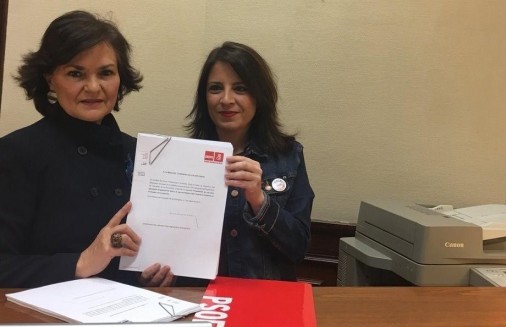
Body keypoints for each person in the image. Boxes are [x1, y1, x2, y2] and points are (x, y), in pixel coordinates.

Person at [0, 10, 173, 288]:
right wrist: (80, 263)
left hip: (127, 317)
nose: (93, 87)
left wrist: (146, 274)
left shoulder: (142, 154)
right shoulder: (16, 153)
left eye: (105, 73)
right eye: (75, 73)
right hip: (46, 323)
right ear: (50, 80)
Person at [183, 41, 315, 282]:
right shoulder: (185, 158)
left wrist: (259, 201)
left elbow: (298, 248)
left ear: (259, 95)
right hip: (203, 300)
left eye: (240, 88)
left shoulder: (288, 157)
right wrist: (162, 272)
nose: (226, 99)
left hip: (266, 305)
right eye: (215, 88)